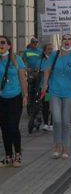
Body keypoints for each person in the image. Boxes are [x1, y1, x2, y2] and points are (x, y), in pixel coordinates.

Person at [41, 34, 71, 159]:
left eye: (70, 39)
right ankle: (57, 146)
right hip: (54, 91)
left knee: (65, 121)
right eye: (65, 39)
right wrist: (45, 84)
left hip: (69, 92)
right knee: (57, 120)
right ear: (61, 41)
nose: (67, 41)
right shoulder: (54, 54)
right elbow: (47, 70)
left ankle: (66, 147)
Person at [0, 36, 28, 168]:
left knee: (13, 126)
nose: (1, 45)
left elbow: (23, 79)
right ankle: (8, 156)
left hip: (15, 97)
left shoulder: (16, 60)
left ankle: (18, 154)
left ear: (9, 46)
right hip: (1, 98)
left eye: (2, 43)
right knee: (4, 128)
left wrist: (25, 95)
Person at [35, 43, 54, 131]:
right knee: (46, 104)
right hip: (44, 88)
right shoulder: (41, 61)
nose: (50, 51)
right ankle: (46, 123)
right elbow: (37, 72)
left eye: (51, 49)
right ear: (45, 50)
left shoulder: (55, 60)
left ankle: (52, 124)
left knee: (53, 106)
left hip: (53, 87)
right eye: (48, 49)